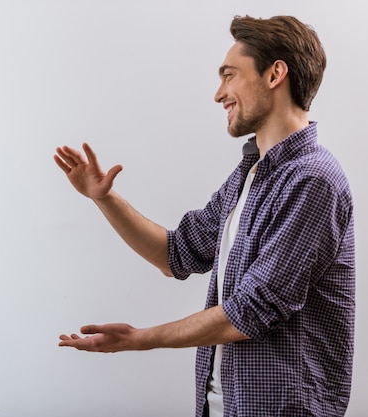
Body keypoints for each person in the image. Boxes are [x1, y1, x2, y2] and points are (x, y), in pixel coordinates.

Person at [54, 15, 355, 417]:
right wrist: (103, 198)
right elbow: (175, 253)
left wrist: (139, 339)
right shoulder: (250, 174)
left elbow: (250, 312)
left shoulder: (313, 181)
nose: (219, 94)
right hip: (224, 406)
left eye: (229, 75)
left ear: (275, 74)